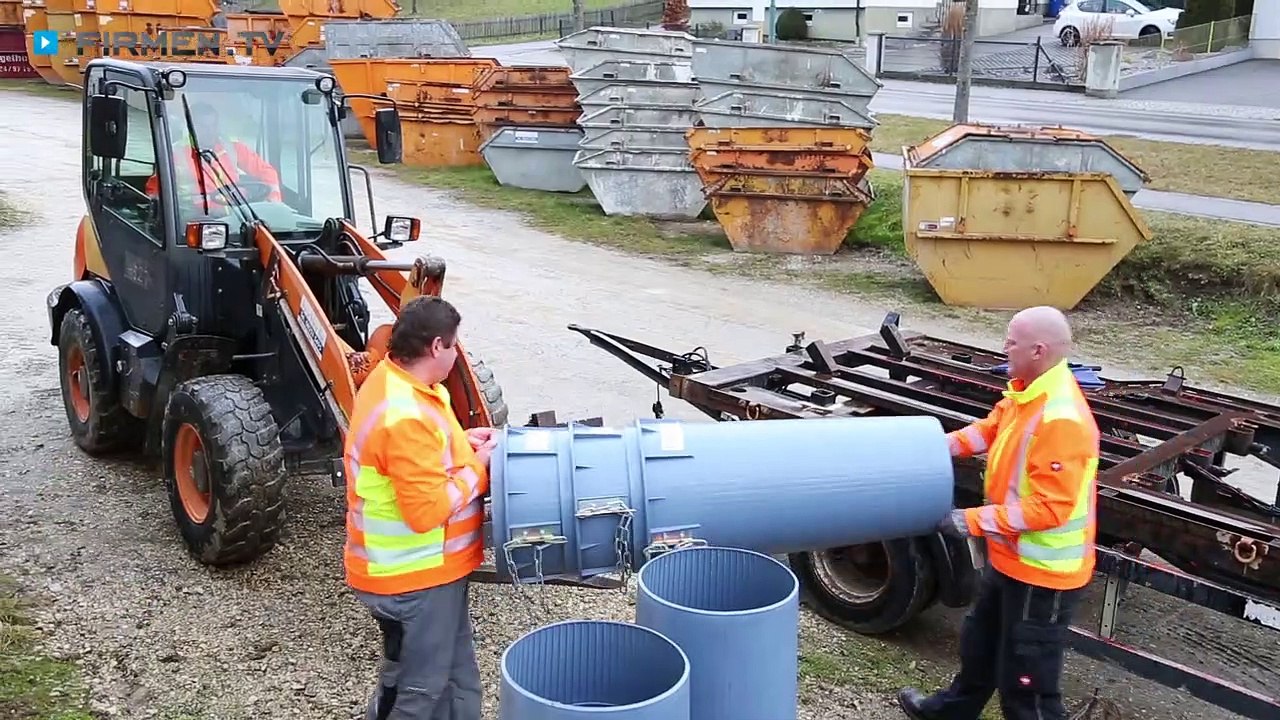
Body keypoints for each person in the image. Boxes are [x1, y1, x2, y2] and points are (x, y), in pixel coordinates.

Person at [897, 305, 1101, 720]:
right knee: (981, 643)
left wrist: (968, 521)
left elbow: (1050, 508)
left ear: (1038, 349)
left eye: (1011, 341)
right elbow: (990, 429)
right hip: (1011, 556)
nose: (1004, 348)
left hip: (1044, 575)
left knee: (1026, 682)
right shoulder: (1028, 391)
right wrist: (934, 446)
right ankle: (951, 711)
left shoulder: (1061, 418)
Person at [343, 295, 497, 720]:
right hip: (410, 577)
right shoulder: (404, 414)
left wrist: (463, 444)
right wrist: (478, 470)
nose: (455, 352)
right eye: (453, 345)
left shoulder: (407, 385)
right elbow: (426, 511)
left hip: (434, 572)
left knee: (457, 679)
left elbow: (417, 458)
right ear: (435, 348)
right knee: (418, 691)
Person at [145, 100, 282, 212]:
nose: (210, 131)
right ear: (192, 127)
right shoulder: (176, 153)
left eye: (213, 126)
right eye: (204, 127)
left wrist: (274, 201)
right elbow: (154, 191)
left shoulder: (232, 146)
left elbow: (266, 171)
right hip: (195, 220)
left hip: (238, 216)